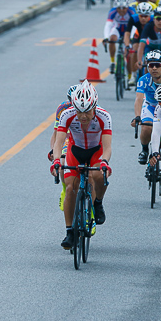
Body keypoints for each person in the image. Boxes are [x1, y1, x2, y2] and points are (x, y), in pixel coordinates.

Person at [50, 81, 112, 249]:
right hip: (75, 150)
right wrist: (57, 160)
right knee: (70, 188)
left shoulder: (104, 116)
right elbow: (59, 141)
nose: (83, 116)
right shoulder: (67, 114)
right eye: (79, 111)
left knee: (99, 175)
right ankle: (70, 231)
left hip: (95, 151)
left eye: (87, 112)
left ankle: (98, 202)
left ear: (95, 107)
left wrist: (105, 163)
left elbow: (107, 148)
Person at [132, 51, 161, 164]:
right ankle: (144, 150)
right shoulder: (143, 80)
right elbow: (138, 99)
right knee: (146, 128)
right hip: (150, 107)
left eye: (157, 65)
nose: (153, 68)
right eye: (150, 65)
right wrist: (137, 117)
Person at [49, 84, 79, 212]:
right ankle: (64, 188)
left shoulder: (92, 109)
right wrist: (54, 151)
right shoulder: (63, 109)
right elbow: (57, 134)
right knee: (62, 162)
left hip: (84, 136)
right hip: (68, 135)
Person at [105, 0, 135, 73]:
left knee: (128, 53)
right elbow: (108, 25)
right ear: (116, 7)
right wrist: (106, 38)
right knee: (112, 39)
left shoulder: (131, 11)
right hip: (117, 30)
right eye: (119, 8)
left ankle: (130, 76)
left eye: (124, 8)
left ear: (127, 7)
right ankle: (112, 62)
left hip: (128, 31)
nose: (121, 10)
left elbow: (134, 27)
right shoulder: (112, 11)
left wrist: (131, 38)